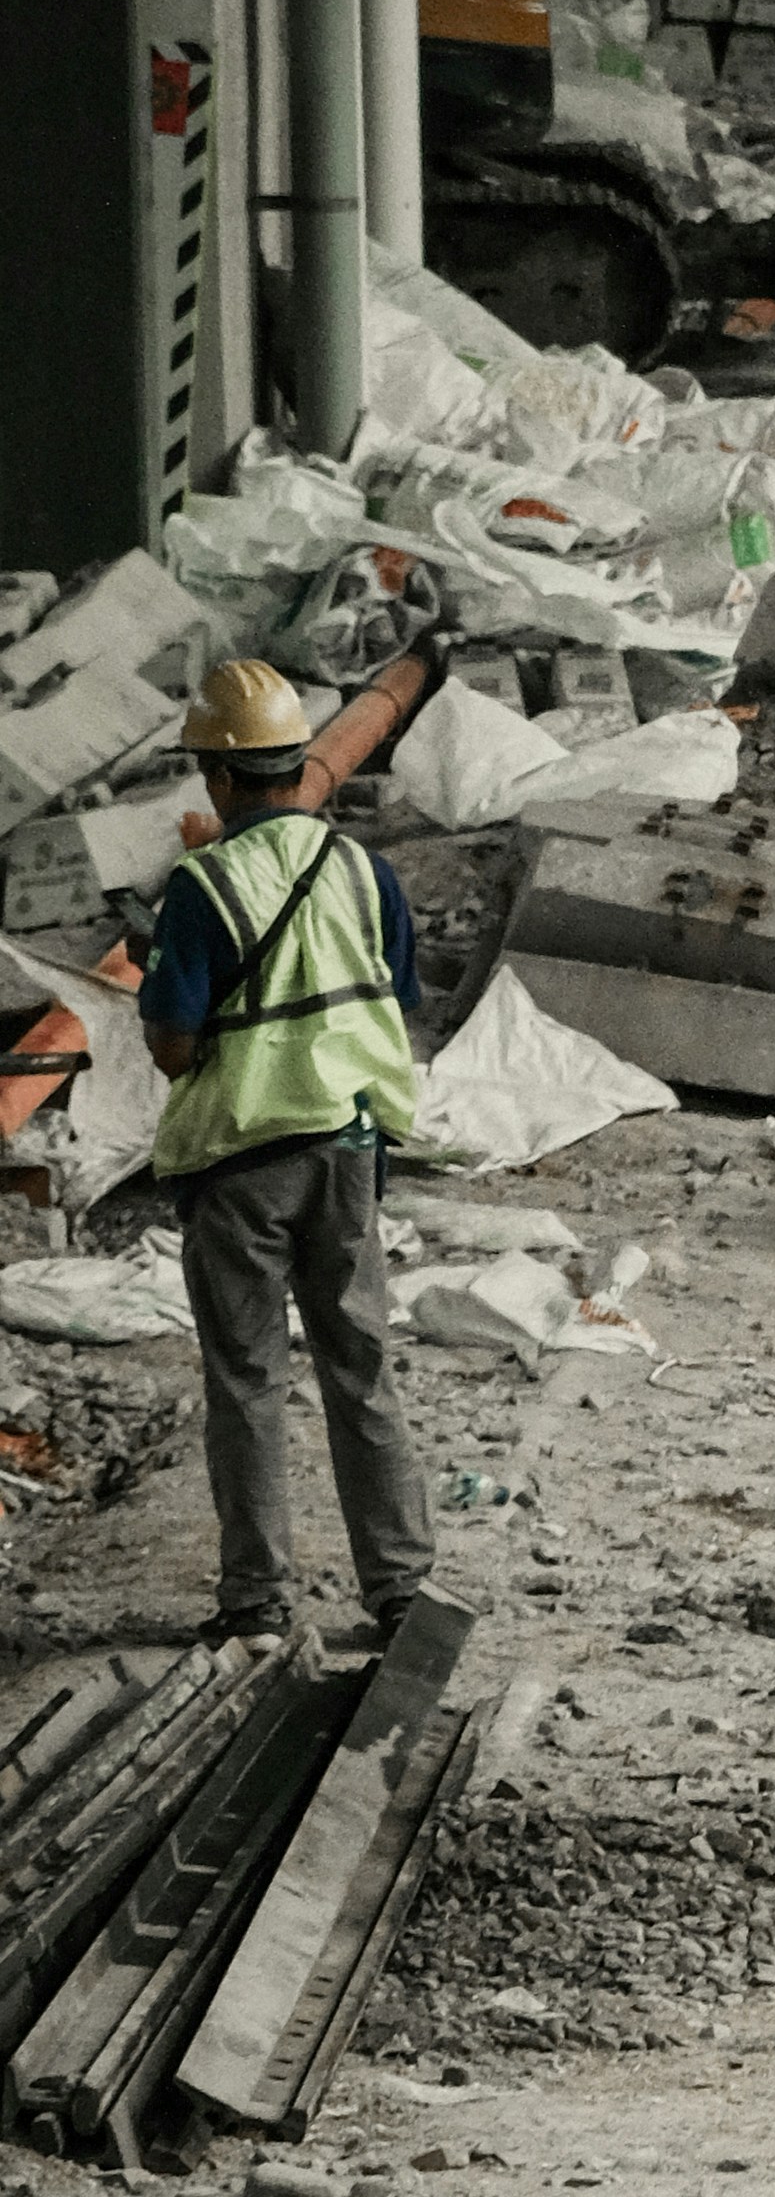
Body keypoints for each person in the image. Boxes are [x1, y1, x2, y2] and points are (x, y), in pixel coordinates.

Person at [140, 660, 437, 1650]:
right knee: (362, 1368)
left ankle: (257, 1602)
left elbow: (174, 1042)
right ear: (303, 762)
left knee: (247, 1381)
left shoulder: (202, 886)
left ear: (219, 780)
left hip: (240, 1167)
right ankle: (400, 1589)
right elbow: (399, 1005)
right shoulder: (364, 869)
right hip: (348, 1147)